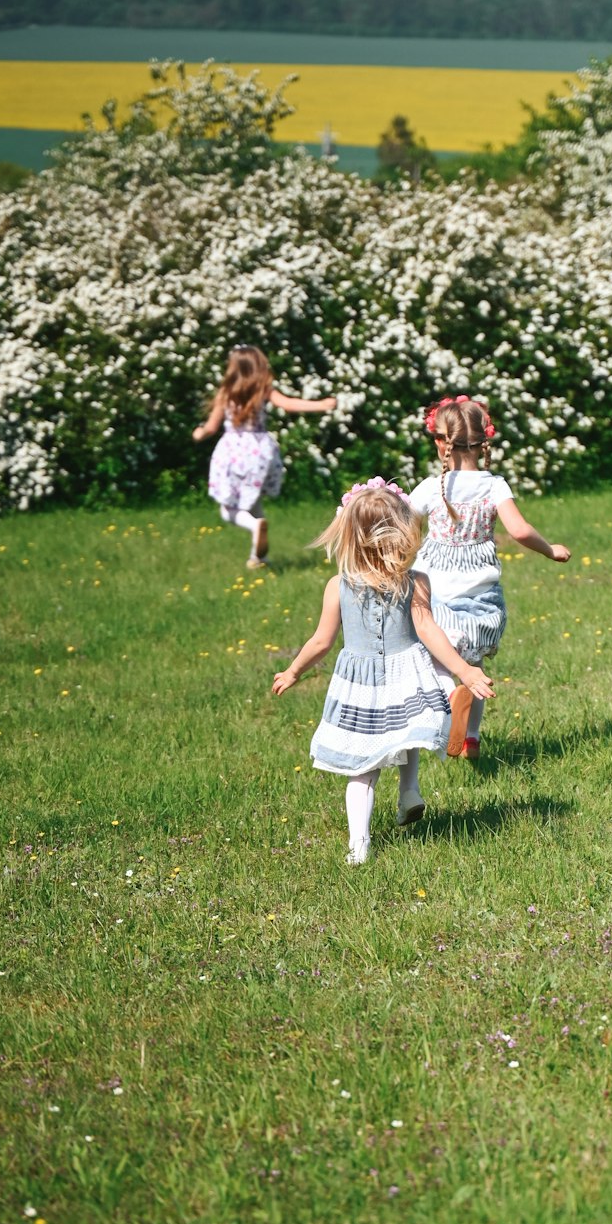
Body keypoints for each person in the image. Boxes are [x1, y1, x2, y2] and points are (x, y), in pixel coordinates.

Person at [272, 478, 495, 865]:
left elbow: (321, 642)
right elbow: (428, 631)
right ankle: (409, 790)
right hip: (407, 672)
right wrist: (464, 671)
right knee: (407, 732)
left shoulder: (337, 586)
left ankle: (359, 845)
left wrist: (293, 671)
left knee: (364, 767)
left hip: (360, 685)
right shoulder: (414, 582)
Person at [409, 395, 571, 760]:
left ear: (440, 443)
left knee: (442, 662)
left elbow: (399, 522)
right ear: (485, 443)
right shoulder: (494, 485)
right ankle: (472, 738)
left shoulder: (430, 489)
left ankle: (452, 692)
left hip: (437, 598)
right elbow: (520, 530)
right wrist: (550, 549)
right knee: (476, 666)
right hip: (483, 601)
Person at [193, 344, 336, 568]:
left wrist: (199, 433)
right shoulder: (264, 389)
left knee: (227, 509)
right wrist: (321, 405)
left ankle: (253, 526)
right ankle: (259, 558)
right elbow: (288, 404)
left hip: (232, 451)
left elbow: (211, 427)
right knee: (255, 501)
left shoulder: (226, 392)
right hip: (261, 451)